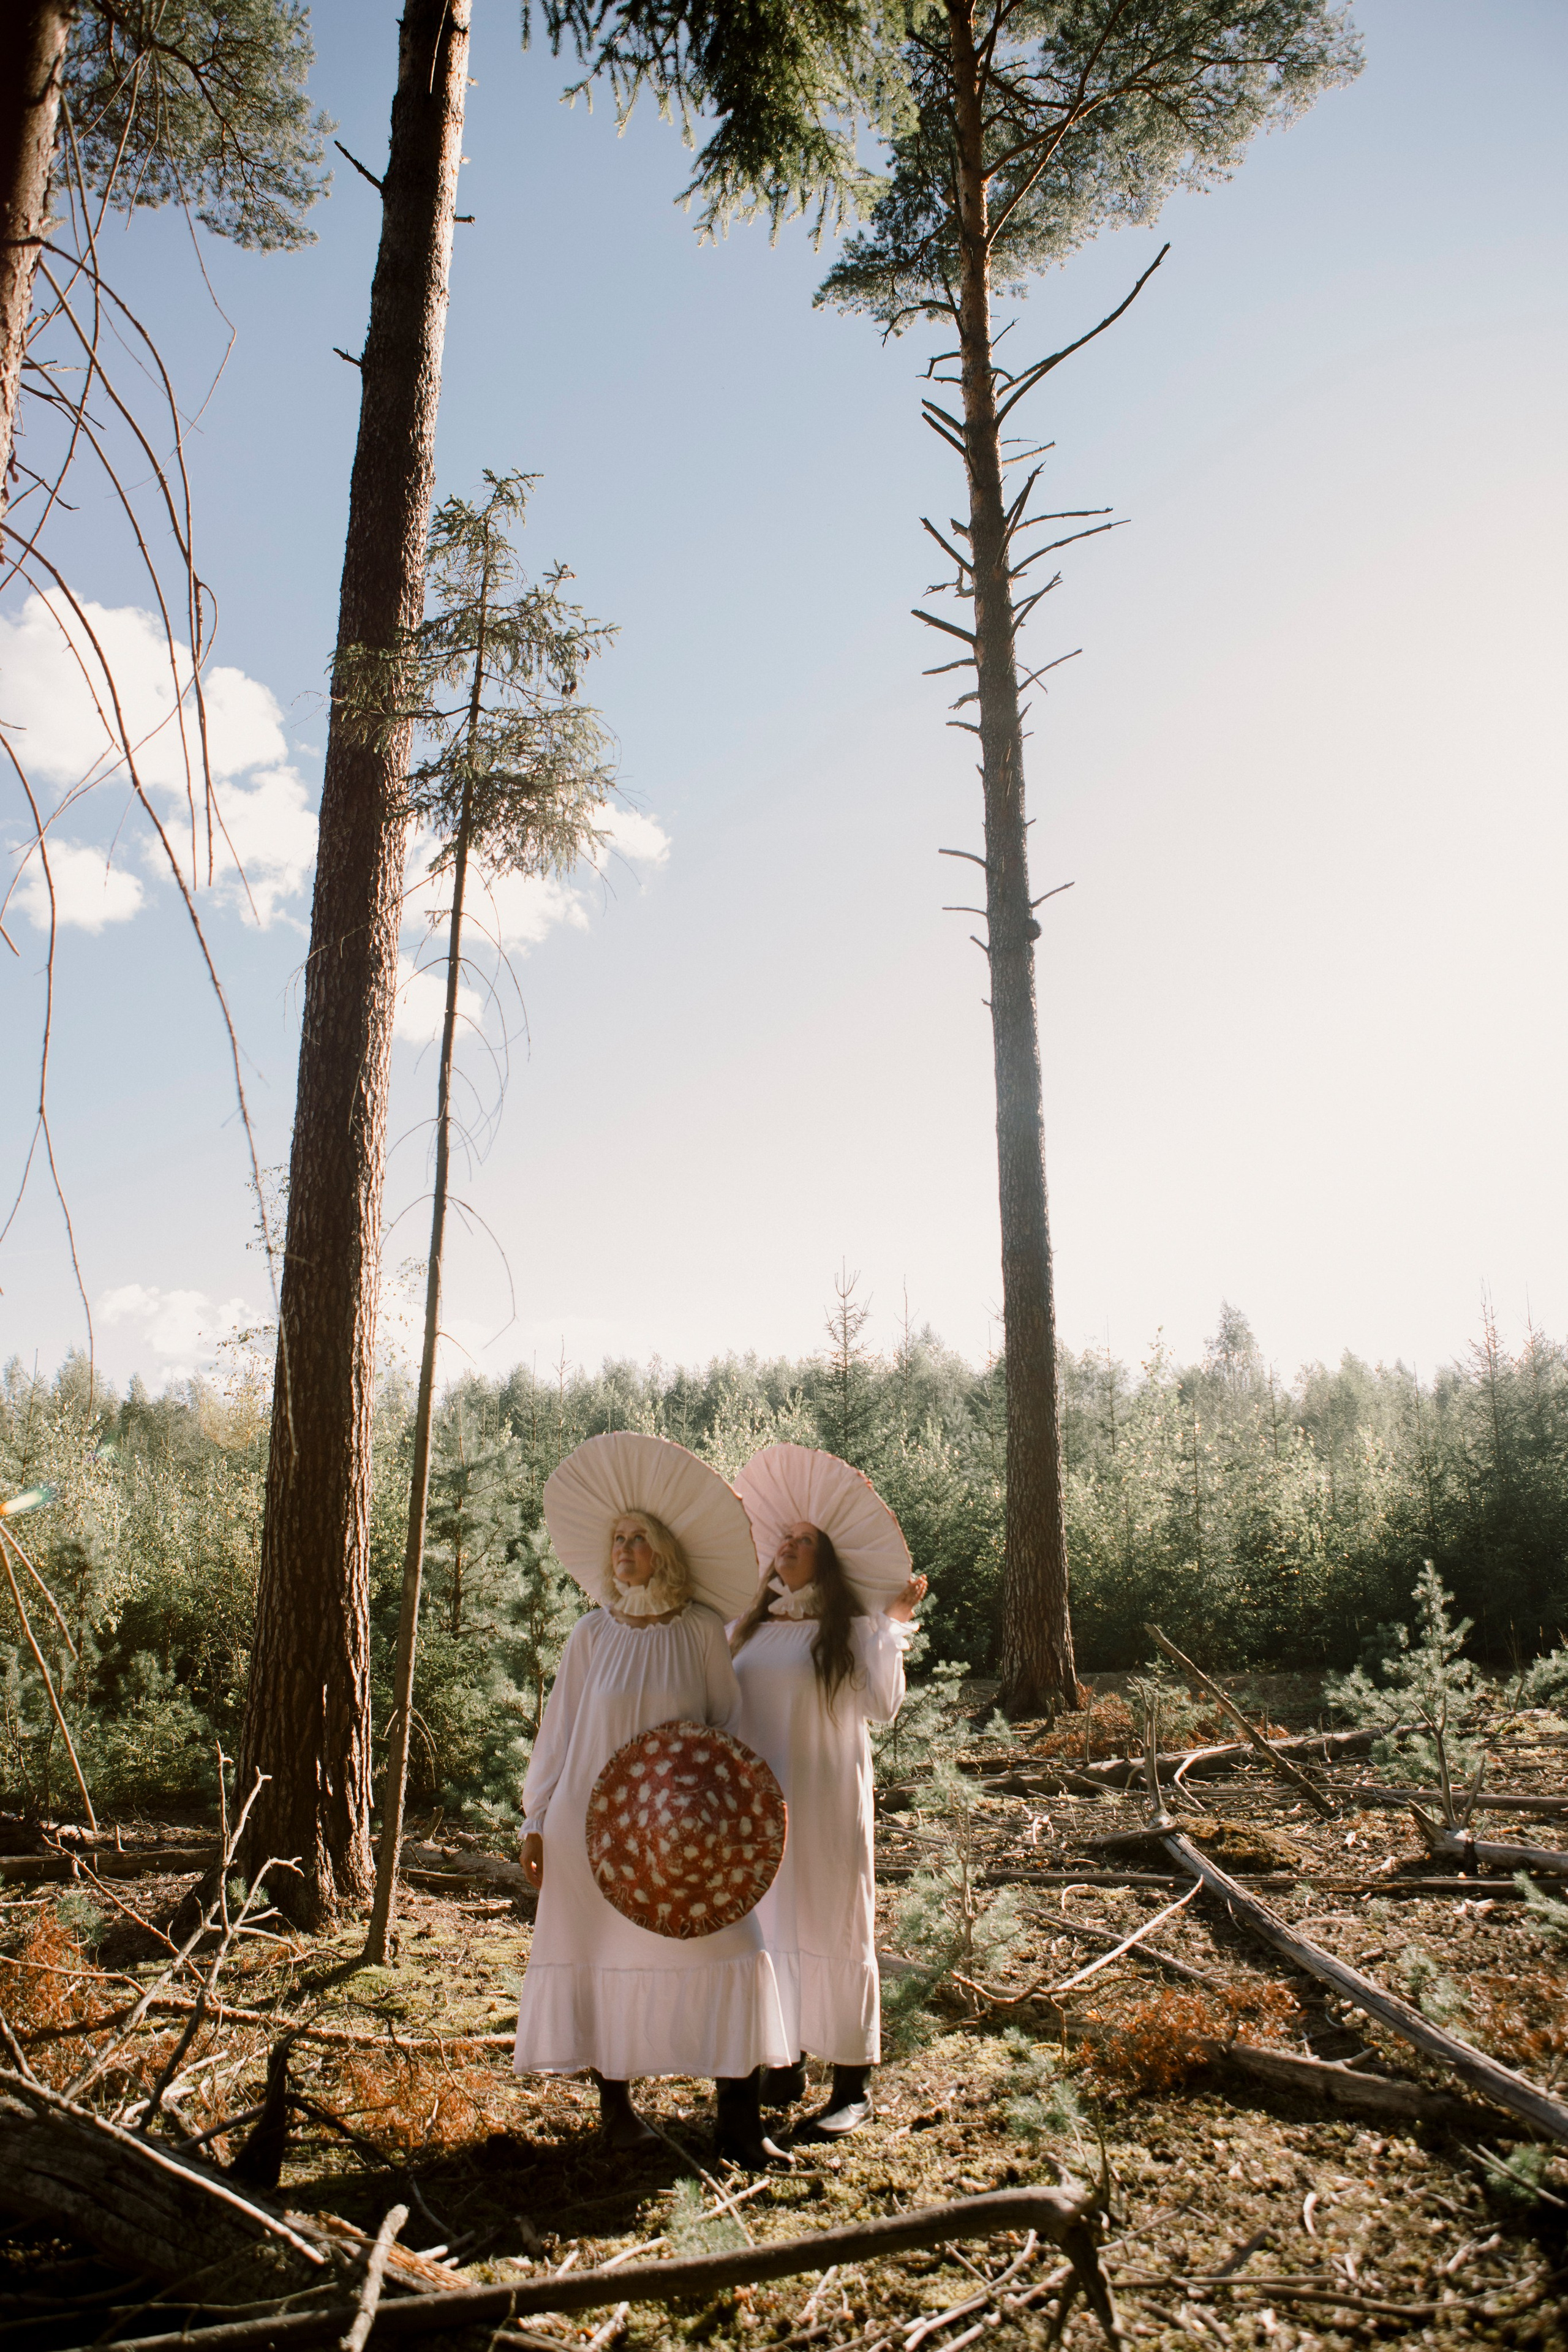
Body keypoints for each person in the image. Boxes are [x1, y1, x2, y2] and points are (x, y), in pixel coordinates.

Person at [513, 1496, 791, 2168]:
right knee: (602, 1953)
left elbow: (724, 1723)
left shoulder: (700, 1629)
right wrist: (535, 1818)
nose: (624, 1548)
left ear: (663, 1552)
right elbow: (559, 1732)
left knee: (731, 1944)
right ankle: (617, 2113)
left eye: (638, 1538)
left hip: (687, 1833)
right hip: (593, 1830)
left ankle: (740, 2123)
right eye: (617, 1538)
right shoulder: (591, 1634)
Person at [729, 1490, 925, 2138]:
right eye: (782, 1537)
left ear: (829, 1562)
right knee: (769, 1924)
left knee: (834, 1922)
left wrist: (890, 1625)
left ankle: (852, 2084)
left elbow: (882, 1706)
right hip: (758, 1804)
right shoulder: (749, 1626)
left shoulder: (849, 1627)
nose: (786, 1544)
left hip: (826, 1794)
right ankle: (783, 2061)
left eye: (803, 1539)